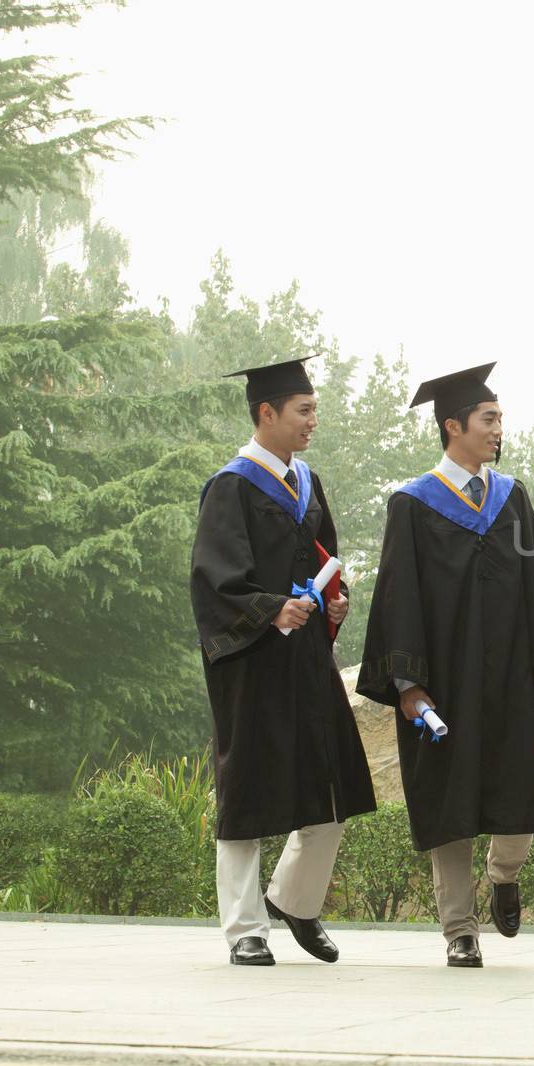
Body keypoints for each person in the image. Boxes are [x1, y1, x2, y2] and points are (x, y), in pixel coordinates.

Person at [356, 362, 534, 968]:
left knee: (518, 801)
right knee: (449, 807)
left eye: (500, 418)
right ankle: (460, 928)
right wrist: (407, 685)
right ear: (453, 425)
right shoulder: (412, 504)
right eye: (488, 419)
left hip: (508, 676)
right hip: (445, 683)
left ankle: (504, 873)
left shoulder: (512, 498)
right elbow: (398, 596)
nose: (498, 429)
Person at [191, 356, 377, 967]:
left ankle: (296, 899)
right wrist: (272, 610)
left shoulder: (308, 483)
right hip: (251, 661)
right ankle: (245, 926)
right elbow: (215, 582)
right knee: (245, 790)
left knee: (335, 778)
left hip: (306, 659)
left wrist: (333, 603)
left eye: (314, 410)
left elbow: (327, 555)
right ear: (266, 413)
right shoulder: (232, 486)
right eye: (303, 410)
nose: (313, 420)